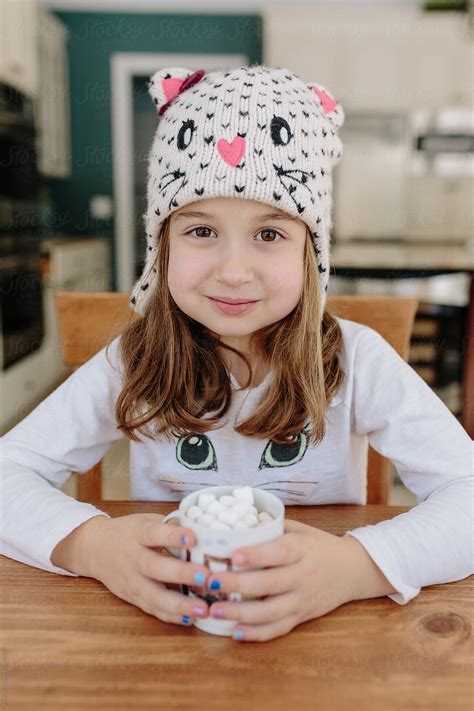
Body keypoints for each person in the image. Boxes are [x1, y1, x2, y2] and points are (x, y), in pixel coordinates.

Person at [1, 64, 472, 643]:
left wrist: (358, 566)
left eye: (269, 234)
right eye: (200, 231)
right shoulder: (132, 361)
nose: (233, 270)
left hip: (325, 638)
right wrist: (93, 545)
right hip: (166, 633)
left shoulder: (359, 361)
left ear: (310, 253)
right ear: (162, 246)